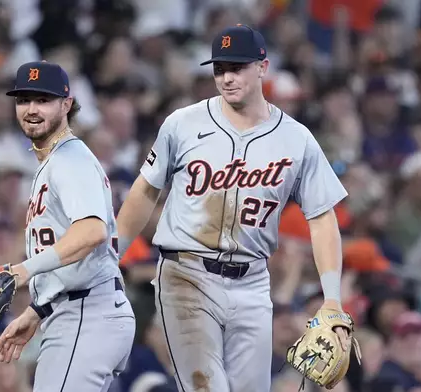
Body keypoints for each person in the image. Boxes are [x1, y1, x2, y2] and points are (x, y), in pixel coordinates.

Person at [116, 24, 351, 391]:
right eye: (220, 69)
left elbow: (321, 218)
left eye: (237, 67)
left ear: (262, 67)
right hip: (185, 273)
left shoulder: (296, 138)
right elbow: (144, 191)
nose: (227, 77)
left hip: (253, 282)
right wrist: (112, 253)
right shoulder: (182, 124)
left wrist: (332, 298)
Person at [0, 61, 135, 391]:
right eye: (24, 100)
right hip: (78, 310)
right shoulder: (53, 163)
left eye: (43, 100)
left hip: (86, 315)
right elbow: (75, 258)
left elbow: (92, 231)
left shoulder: (69, 160)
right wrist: (37, 310)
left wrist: (22, 269)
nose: (31, 109)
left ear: (66, 104)